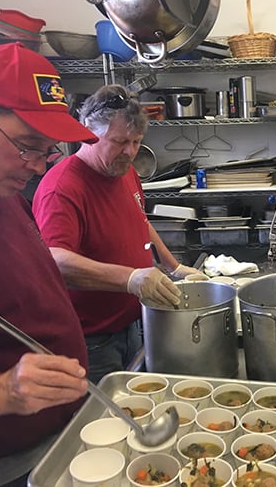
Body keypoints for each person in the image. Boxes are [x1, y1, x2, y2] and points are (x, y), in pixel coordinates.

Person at [0, 42, 97, 485]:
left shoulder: (2, 191)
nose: (38, 165)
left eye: (47, 150)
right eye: (27, 145)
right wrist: (1, 390)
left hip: (54, 438)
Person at [32, 84, 201, 384]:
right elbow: (54, 261)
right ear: (88, 132)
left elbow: (139, 220)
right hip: (92, 338)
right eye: (120, 141)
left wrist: (173, 266)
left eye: (136, 142)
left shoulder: (124, 171)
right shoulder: (62, 187)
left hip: (133, 323)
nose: (130, 152)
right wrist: (130, 278)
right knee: (102, 421)